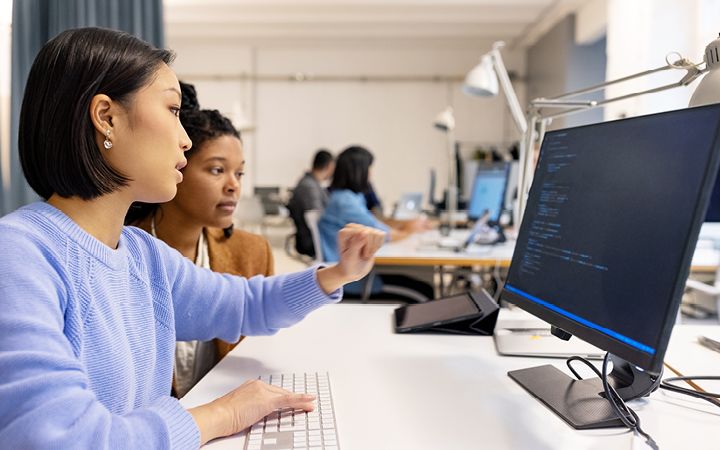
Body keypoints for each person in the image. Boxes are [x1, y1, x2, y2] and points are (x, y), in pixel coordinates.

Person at [0, 27, 385, 448]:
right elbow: (64, 439)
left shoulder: (142, 255)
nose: (185, 138)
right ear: (107, 117)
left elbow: (243, 304)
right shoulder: (20, 253)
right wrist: (223, 412)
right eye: (171, 110)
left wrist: (337, 273)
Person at [125, 81, 274, 398]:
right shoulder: (123, 248)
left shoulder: (253, 252)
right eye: (217, 170)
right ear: (177, 165)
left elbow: (260, 351)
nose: (234, 186)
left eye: (240, 173)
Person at [318, 146, 434, 301]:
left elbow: (376, 222)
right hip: (352, 280)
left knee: (424, 288)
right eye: (369, 168)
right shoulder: (345, 202)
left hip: (356, 272)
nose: (371, 173)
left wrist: (406, 225)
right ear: (359, 171)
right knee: (423, 295)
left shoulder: (350, 197)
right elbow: (385, 235)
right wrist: (411, 229)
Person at [287, 149, 335, 257]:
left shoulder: (311, 183)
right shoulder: (309, 186)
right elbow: (318, 218)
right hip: (312, 241)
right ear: (330, 166)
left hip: (312, 238)